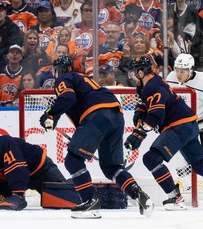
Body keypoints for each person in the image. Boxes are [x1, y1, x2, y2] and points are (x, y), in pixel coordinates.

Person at [39, 55, 154, 219]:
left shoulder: (64, 78)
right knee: (111, 167)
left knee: (73, 160)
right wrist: (55, 118)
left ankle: (90, 201)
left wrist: (50, 114)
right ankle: (139, 195)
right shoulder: (83, 78)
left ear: (59, 70)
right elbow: (75, 101)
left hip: (97, 115)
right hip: (116, 115)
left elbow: (67, 98)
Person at [125, 55, 203, 211]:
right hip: (189, 125)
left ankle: (175, 197)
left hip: (179, 127)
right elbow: (145, 103)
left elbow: (156, 115)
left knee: (151, 159)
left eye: (134, 72)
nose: (132, 76)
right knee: (200, 165)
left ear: (141, 73)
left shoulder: (152, 87)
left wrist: (138, 134)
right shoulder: (148, 85)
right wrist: (140, 111)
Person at [166, 53, 203, 141]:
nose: (179, 74)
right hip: (181, 125)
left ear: (191, 70)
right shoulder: (171, 76)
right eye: (177, 70)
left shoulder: (201, 80)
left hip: (200, 125)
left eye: (182, 71)